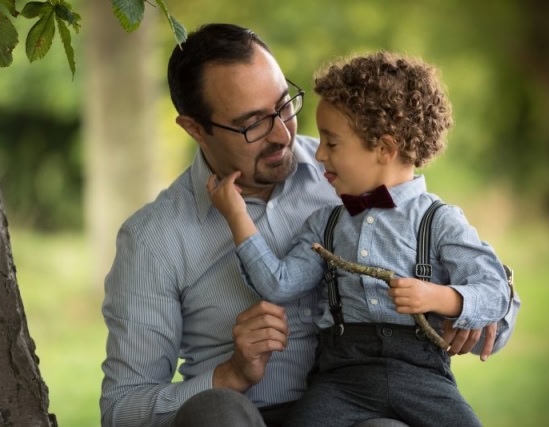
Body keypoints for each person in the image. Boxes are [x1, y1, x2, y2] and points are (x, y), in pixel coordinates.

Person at [100, 24, 520, 427]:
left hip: (368, 405)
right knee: (216, 413)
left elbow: (461, 267)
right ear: (196, 129)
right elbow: (122, 410)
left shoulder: (353, 165)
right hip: (243, 416)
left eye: (284, 105)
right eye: (252, 123)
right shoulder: (153, 238)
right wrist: (229, 376)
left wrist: (469, 307)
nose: (283, 134)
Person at [207, 52, 510, 427]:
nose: (318, 155)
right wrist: (236, 216)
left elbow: (495, 290)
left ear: (384, 148)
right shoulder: (326, 225)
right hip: (340, 382)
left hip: (423, 380)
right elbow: (279, 285)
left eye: (331, 143)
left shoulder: (441, 221)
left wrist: (439, 297)